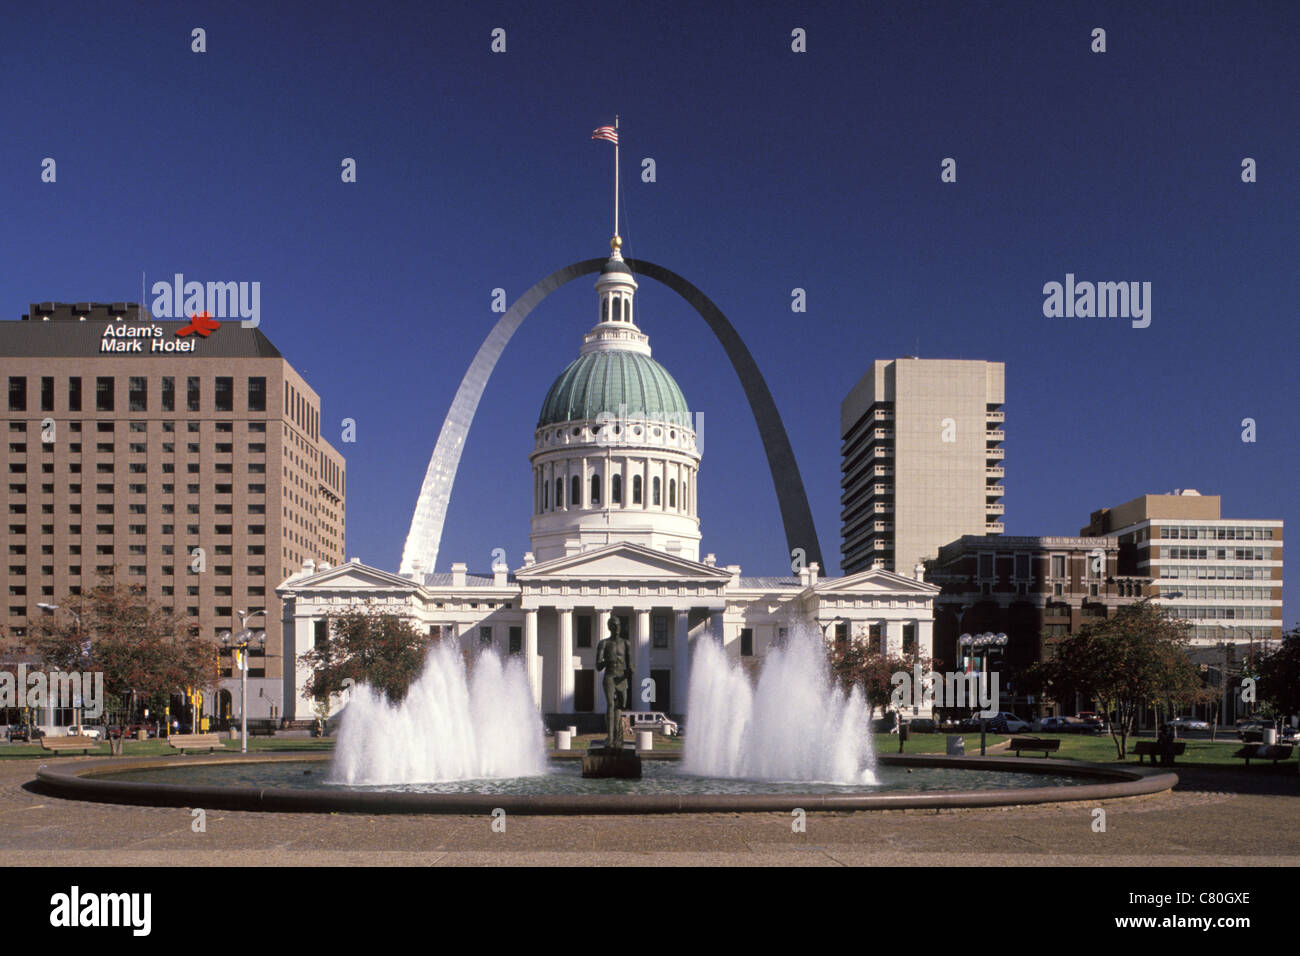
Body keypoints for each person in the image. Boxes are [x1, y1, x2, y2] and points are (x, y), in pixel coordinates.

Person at [595, 617, 633, 750]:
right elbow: (598, 666)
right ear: (609, 627)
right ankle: (610, 737)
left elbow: (630, 664)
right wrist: (607, 660)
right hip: (610, 677)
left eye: (619, 625)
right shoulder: (603, 644)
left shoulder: (626, 643)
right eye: (614, 626)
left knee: (620, 706)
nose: (617, 628)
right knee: (611, 704)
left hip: (622, 678)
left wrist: (629, 674)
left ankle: (617, 735)